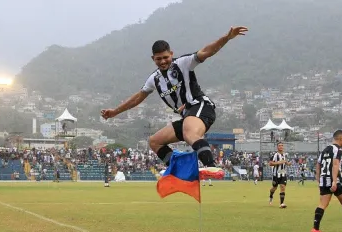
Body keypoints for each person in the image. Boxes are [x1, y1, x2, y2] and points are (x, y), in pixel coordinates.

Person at [101, 26, 248, 180]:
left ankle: (212, 166)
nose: (163, 61)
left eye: (166, 57)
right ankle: (179, 169)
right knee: (154, 141)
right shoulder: (154, 79)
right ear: (153, 59)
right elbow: (137, 98)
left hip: (201, 106)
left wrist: (227, 37)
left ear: (171, 54)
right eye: (159, 59)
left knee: (189, 132)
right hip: (187, 117)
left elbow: (206, 51)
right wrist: (114, 112)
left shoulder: (183, 63)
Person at [268, 142, 291, 208]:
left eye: (282, 146)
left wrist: (288, 163)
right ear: (277, 147)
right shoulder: (275, 155)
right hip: (276, 174)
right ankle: (271, 196)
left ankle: (281, 203)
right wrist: (279, 162)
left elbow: (286, 162)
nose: (281, 147)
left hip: (283, 172)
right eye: (279, 146)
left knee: (282, 187)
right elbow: (270, 163)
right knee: (274, 188)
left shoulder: (285, 155)